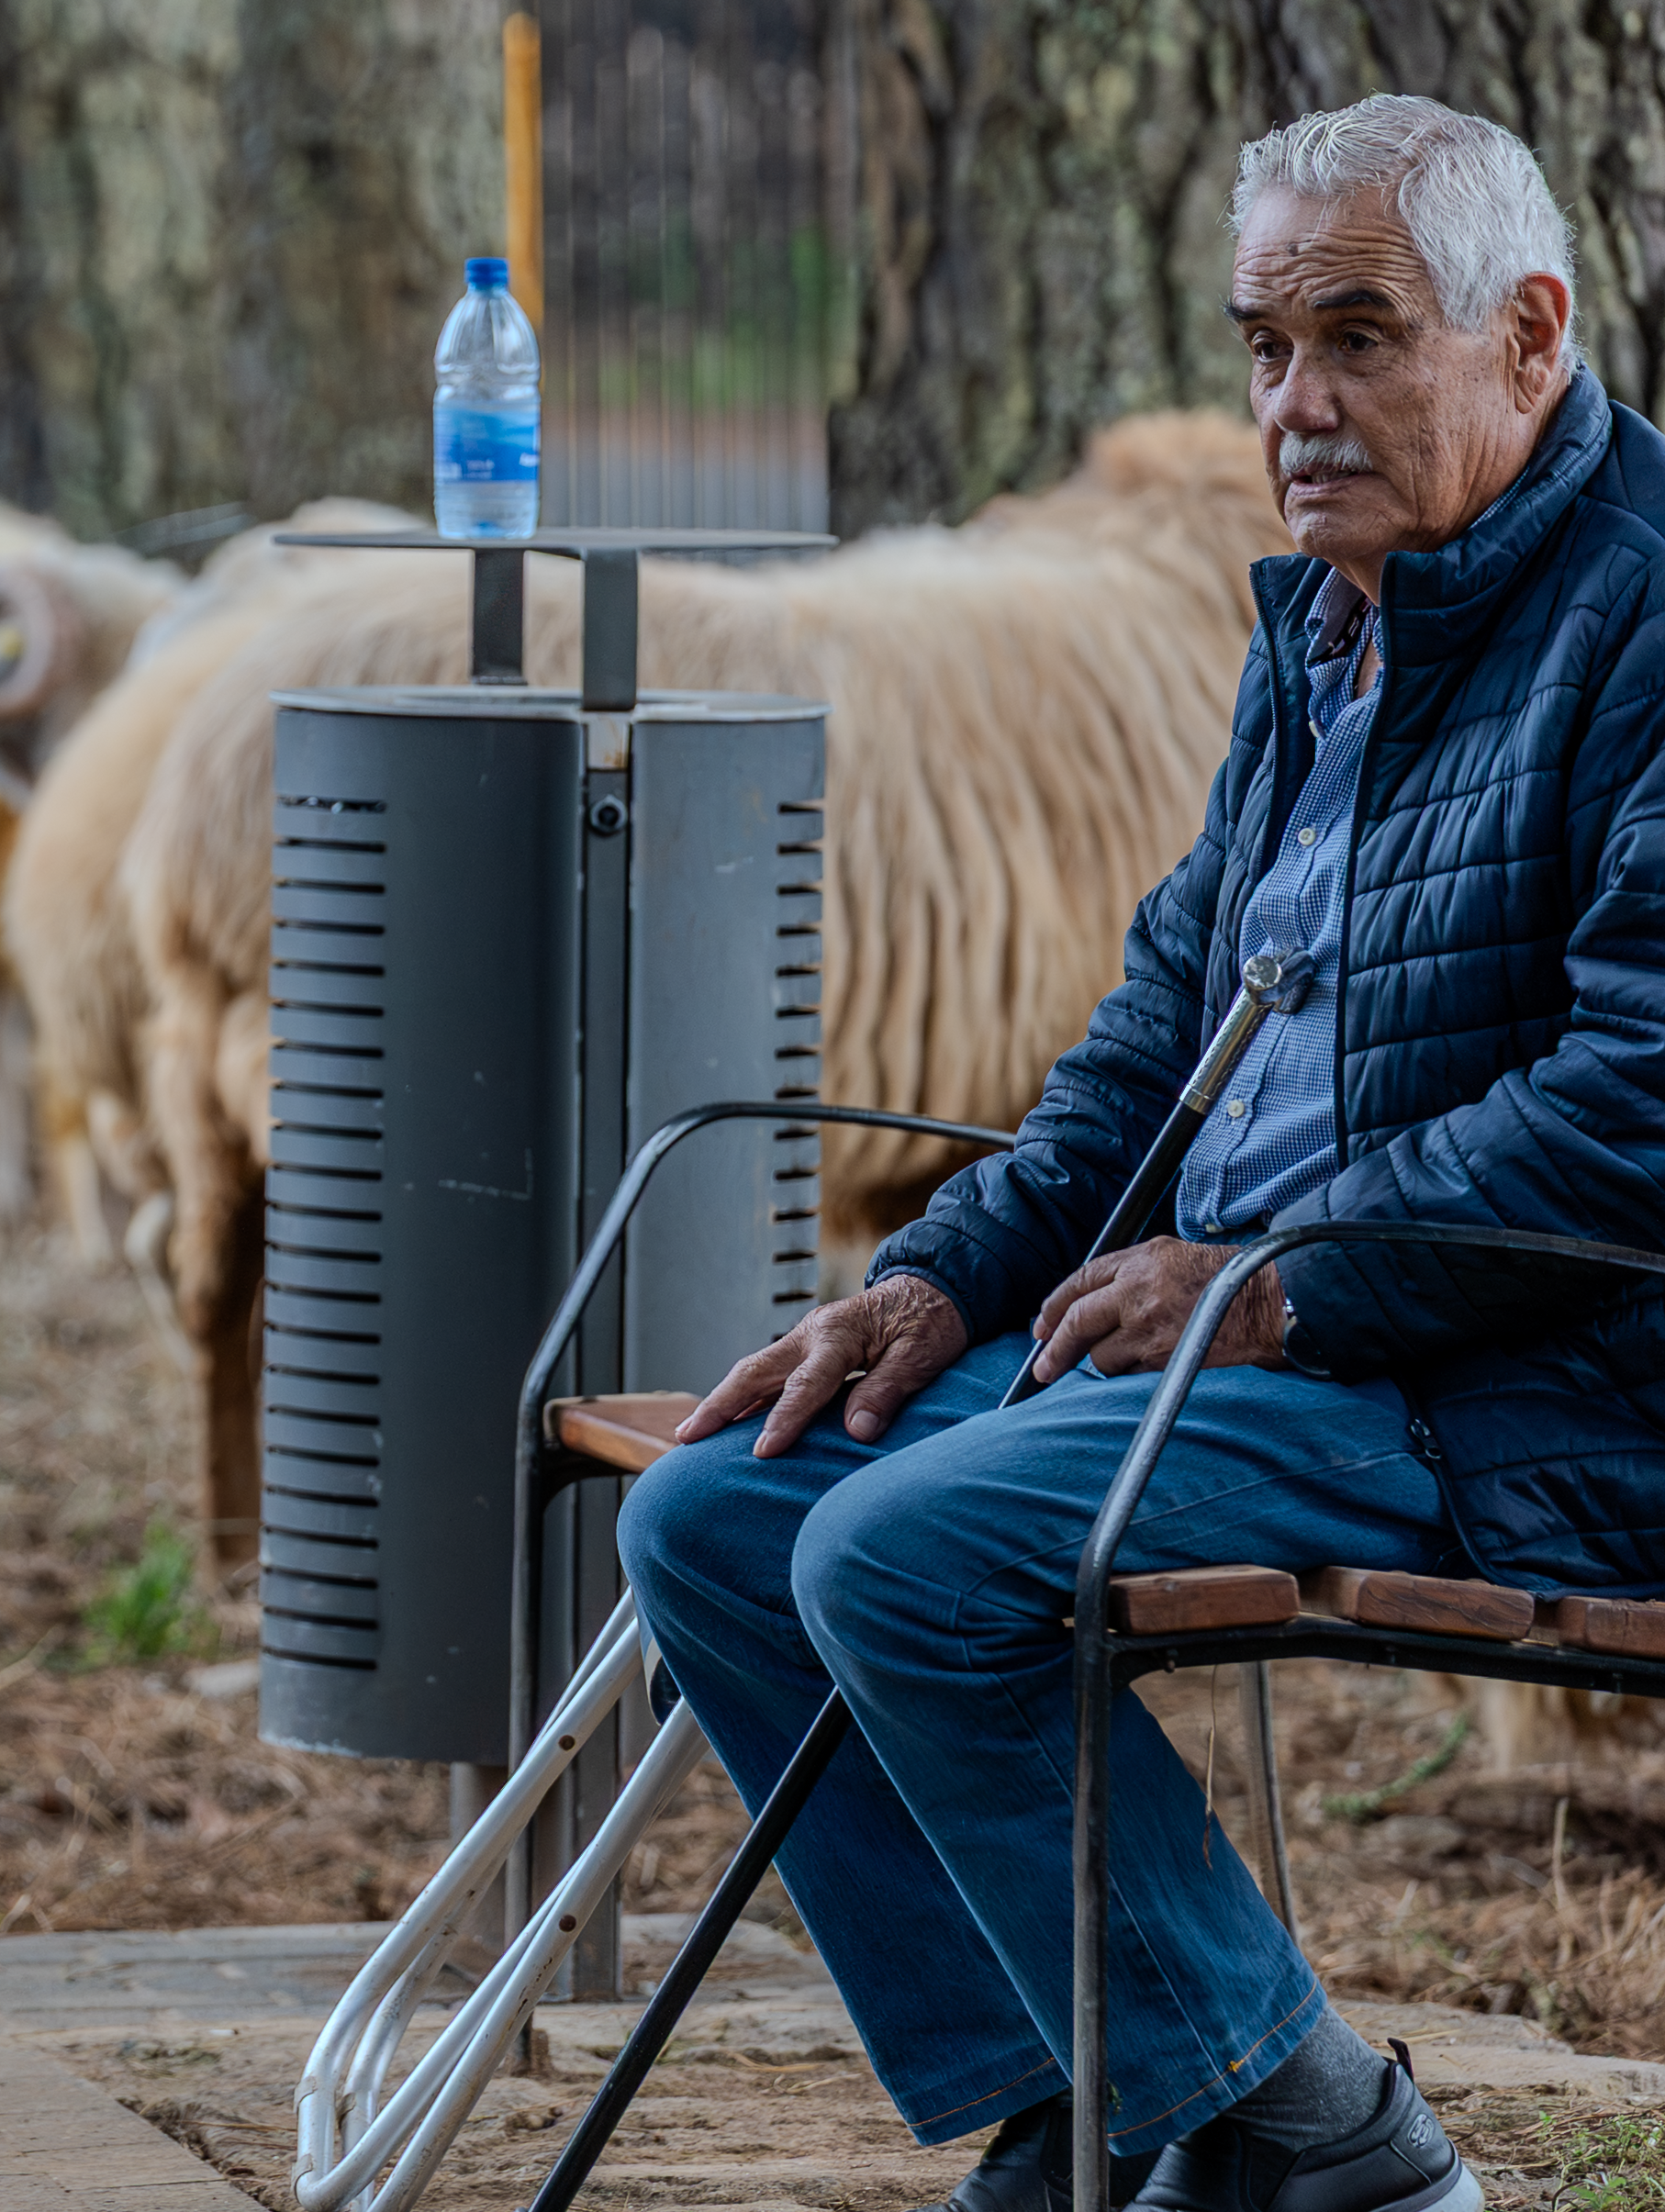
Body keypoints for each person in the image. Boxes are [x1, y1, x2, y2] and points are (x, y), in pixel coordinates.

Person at [620, 94, 1665, 2212]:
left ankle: (1303, 2130)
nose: (1296, 403)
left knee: (898, 1555)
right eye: (1263, 347)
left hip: (1519, 1386)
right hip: (1261, 1338)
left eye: (1358, 336)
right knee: (725, 1513)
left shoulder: (1638, 620)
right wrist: (937, 1276)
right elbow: (1144, 1055)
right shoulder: (1328, 627)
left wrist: (1277, 1280)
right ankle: (1097, 2093)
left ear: (1529, 332)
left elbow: (1634, 1107)